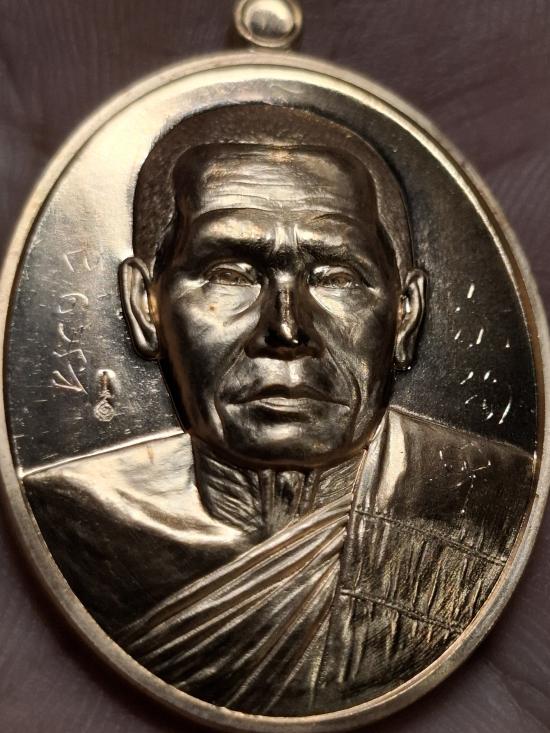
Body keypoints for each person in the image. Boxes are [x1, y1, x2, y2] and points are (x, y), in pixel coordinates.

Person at [25, 106, 533, 716]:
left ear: (406, 315)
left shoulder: (482, 499)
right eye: (229, 274)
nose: (287, 328)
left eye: (337, 276)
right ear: (143, 306)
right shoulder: (76, 522)